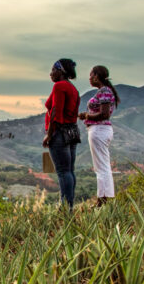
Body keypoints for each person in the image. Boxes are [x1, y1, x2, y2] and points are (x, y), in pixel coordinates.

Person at [78, 65, 120, 207]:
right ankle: (104, 197)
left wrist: (87, 115)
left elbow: (104, 113)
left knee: (101, 167)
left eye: (91, 75)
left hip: (99, 129)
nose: (89, 78)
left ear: (96, 76)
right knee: (102, 165)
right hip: (100, 130)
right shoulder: (105, 91)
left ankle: (102, 200)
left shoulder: (104, 91)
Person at [43, 58, 80, 209]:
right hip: (72, 132)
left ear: (61, 71)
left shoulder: (59, 86)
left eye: (53, 70)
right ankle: (69, 205)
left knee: (63, 172)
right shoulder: (73, 88)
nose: (51, 73)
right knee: (69, 171)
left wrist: (49, 135)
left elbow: (55, 112)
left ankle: (66, 207)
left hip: (59, 133)